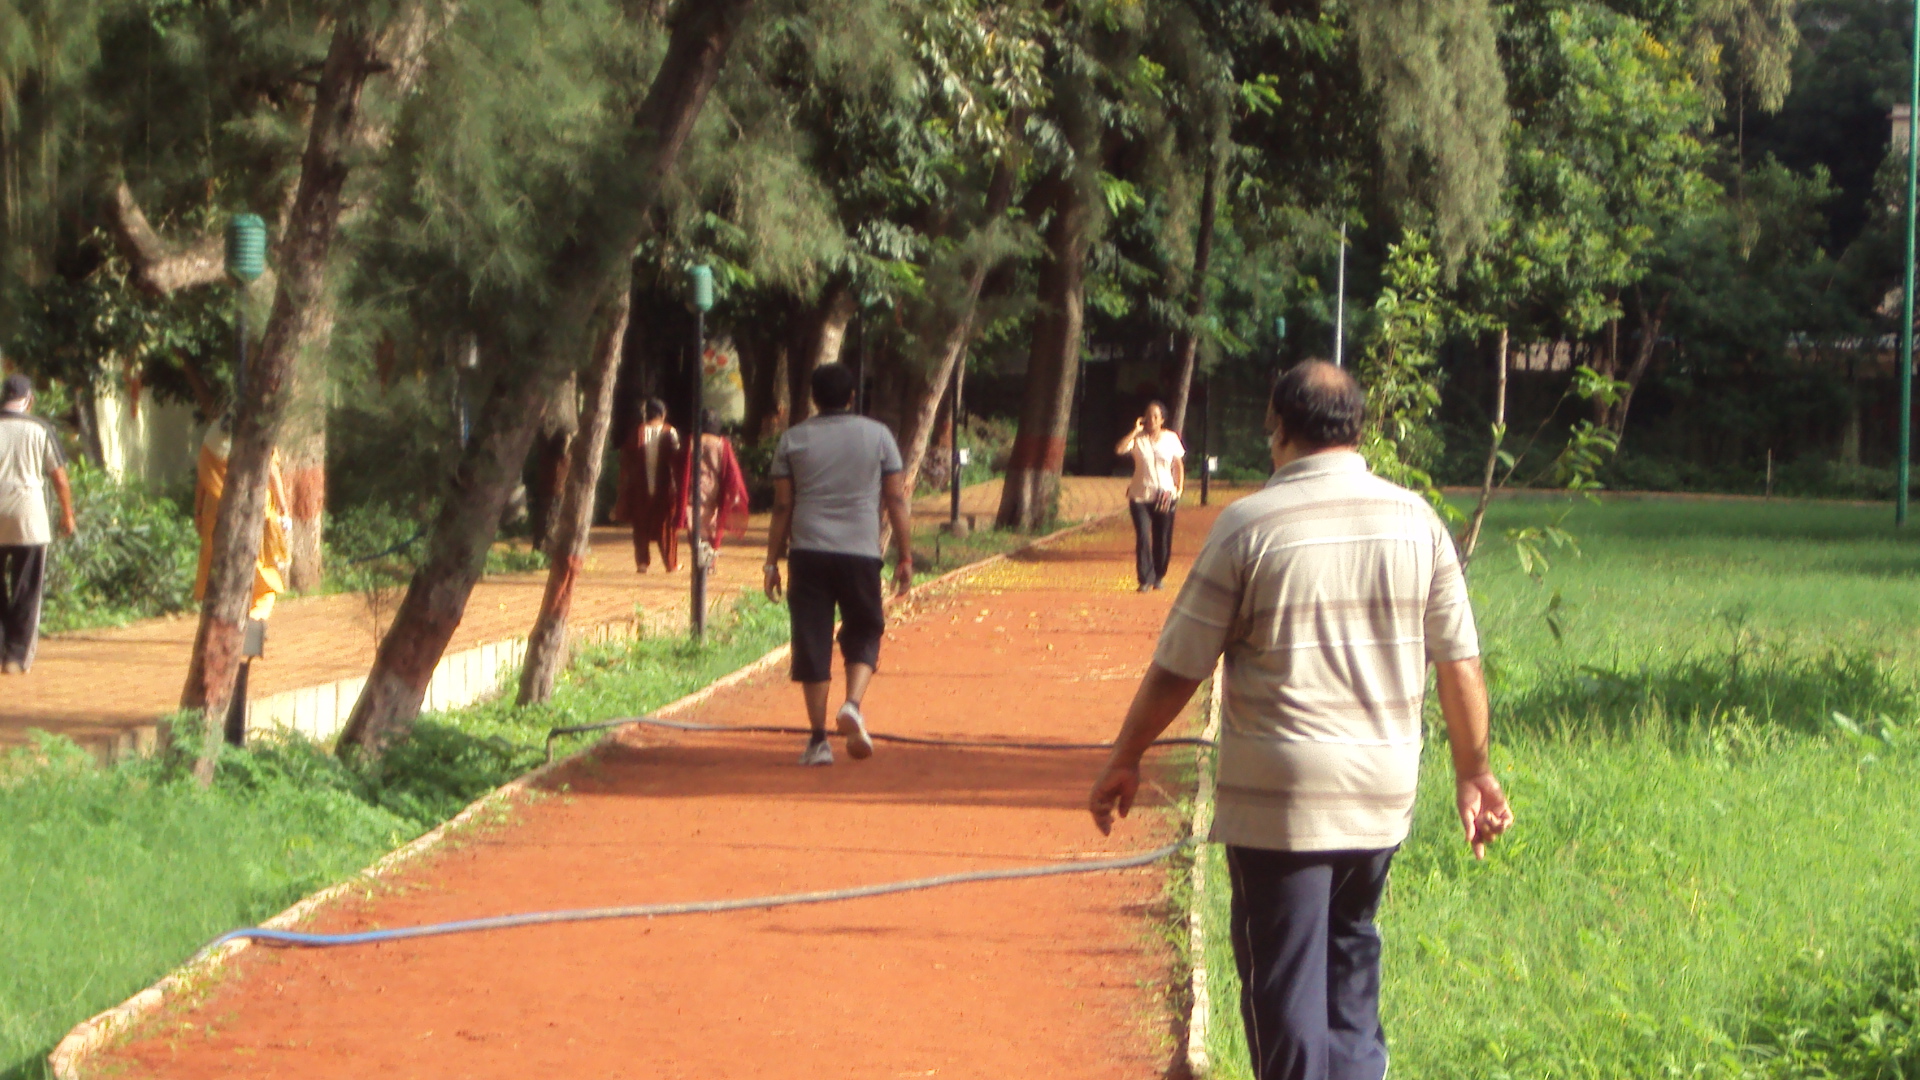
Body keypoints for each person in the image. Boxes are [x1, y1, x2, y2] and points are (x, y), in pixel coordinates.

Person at [1088, 361, 1513, 1080]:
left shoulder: (1251, 525)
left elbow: (1181, 663)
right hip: (1381, 794)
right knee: (1350, 963)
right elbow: (1460, 662)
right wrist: (1474, 772)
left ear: (1277, 428)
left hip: (1282, 803)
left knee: (1282, 981)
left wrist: (1127, 751)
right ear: (1358, 428)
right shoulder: (1418, 523)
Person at [762, 363, 914, 766]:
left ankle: (817, 741)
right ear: (852, 397)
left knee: (811, 638)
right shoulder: (879, 436)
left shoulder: (793, 440)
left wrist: (770, 562)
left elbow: (782, 504)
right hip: (861, 552)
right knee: (864, 627)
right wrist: (905, 555)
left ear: (814, 398)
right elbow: (896, 499)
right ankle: (852, 704)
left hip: (808, 552)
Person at [0, 375, 76, 674]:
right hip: (28, 518)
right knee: (26, 587)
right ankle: (16, 657)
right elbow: (58, 476)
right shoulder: (40, 429)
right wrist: (67, 513)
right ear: (29, 399)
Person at [193, 417, 291, 622]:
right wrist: (283, 509)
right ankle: (255, 621)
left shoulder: (211, 438)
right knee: (262, 573)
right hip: (252, 512)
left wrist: (199, 513)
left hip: (216, 512)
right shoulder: (257, 431)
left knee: (218, 571)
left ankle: (218, 623)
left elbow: (202, 479)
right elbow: (271, 471)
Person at [1115, 400, 1185, 592]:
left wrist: (1178, 488)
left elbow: (1177, 465)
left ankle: (1159, 575)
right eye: (1148, 415)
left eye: (1156, 416)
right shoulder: (1138, 439)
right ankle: (1145, 579)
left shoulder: (1170, 438)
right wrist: (1134, 431)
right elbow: (1120, 449)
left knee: (1162, 537)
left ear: (1162, 419)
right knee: (1144, 536)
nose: (1151, 420)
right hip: (1140, 496)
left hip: (1164, 494)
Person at [612, 397, 680, 573]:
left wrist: (624, 488)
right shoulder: (669, 431)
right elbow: (677, 460)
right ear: (663, 414)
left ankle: (642, 563)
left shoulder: (637, 433)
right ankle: (670, 564)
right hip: (664, 488)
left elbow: (625, 462)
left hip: (640, 488)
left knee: (640, 525)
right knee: (666, 526)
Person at [677, 408, 750, 568]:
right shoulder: (722, 444)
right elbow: (731, 470)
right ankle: (710, 562)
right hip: (714, 489)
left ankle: (700, 558)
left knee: (694, 524)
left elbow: (681, 466)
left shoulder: (691, 441)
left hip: (692, 488)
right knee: (713, 525)